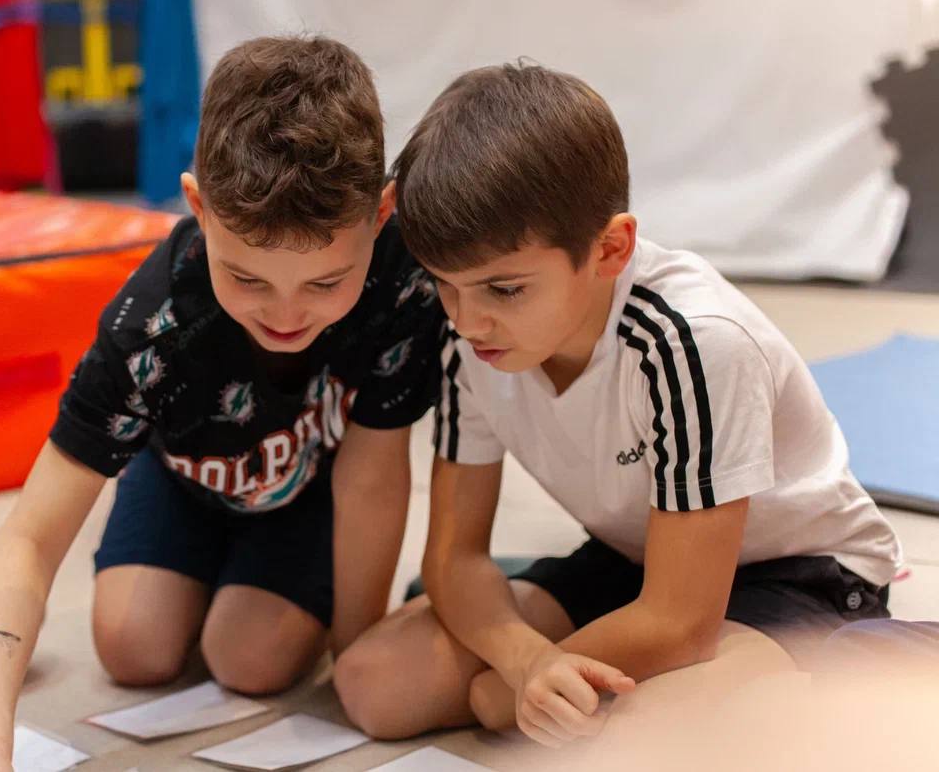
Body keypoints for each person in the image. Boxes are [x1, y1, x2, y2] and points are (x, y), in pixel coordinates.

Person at [332, 62, 903, 744]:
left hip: (800, 576)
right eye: (446, 286)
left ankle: (881, 664)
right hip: (639, 563)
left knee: (634, 736)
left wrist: (513, 682)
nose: (467, 320)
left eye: (503, 289)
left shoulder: (694, 340)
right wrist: (529, 660)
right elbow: (454, 559)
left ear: (611, 247)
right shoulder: (468, 343)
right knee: (376, 682)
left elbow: (682, 620)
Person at [0, 35, 446, 769]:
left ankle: (255, 589)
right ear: (198, 210)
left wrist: (355, 647)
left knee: (253, 657)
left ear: (380, 213)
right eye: (247, 279)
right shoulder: (150, 324)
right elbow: (27, 539)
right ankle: (206, 569)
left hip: (309, 486)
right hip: (184, 477)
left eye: (323, 283)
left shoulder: (402, 283)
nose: (285, 315)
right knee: (131, 646)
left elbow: (372, 476)